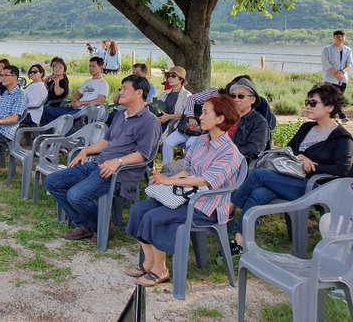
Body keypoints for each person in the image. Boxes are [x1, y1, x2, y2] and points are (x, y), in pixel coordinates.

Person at [125, 95, 244, 286]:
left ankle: (160, 269)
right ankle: (149, 261)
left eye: (205, 113)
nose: (200, 117)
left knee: (154, 216)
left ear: (221, 119)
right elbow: (187, 170)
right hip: (186, 196)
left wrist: (169, 181)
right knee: (139, 210)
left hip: (206, 206)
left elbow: (205, 180)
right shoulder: (201, 141)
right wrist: (165, 180)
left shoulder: (230, 152)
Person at [229, 83, 353, 254]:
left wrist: (313, 167)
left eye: (313, 103)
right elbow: (289, 149)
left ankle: (229, 207)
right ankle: (239, 243)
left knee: (260, 175)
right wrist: (301, 158)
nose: (307, 106)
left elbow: (343, 170)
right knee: (258, 194)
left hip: (316, 187)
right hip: (293, 179)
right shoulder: (307, 128)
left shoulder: (342, 138)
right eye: (307, 102)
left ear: (330, 107)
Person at [44, 75, 160, 246]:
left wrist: (118, 162)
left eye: (124, 88)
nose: (120, 92)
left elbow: (142, 155)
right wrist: (86, 150)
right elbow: (106, 141)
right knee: (52, 181)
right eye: (121, 88)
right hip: (97, 165)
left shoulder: (150, 121)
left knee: (75, 195)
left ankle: (102, 227)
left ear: (139, 92)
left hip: (119, 173)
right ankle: (85, 225)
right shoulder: (121, 115)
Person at [41, 57, 109, 124]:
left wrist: (81, 103)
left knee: (67, 118)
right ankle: (52, 133)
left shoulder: (103, 84)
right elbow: (77, 95)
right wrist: (74, 100)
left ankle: (66, 135)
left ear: (100, 68)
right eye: (90, 66)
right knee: (50, 112)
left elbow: (99, 101)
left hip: (87, 110)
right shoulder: (88, 82)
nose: (91, 68)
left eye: (93, 66)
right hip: (76, 107)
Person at [322, 30, 351, 122]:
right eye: (338, 37)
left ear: (345, 38)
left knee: (339, 98)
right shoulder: (327, 49)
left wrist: (341, 72)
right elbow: (326, 64)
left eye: (342, 36)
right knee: (331, 98)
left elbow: (350, 63)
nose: (340, 38)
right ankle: (339, 116)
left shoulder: (348, 50)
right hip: (330, 78)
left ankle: (337, 116)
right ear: (334, 37)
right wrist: (336, 73)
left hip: (343, 78)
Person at [157, 66, 192, 135]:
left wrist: (169, 117)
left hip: (175, 126)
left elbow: (187, 114)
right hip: (159, 123)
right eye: (168, 76)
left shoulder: (187, 95)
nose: (170, 78)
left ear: (181, 79)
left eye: (173, 76)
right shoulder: (165, 93)